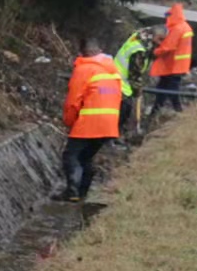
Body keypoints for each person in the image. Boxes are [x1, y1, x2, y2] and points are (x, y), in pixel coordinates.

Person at [58, 39, 123, 203]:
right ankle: (82, 193)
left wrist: (69, 122)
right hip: (109, 124)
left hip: (89, 121)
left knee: (70, 156)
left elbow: (73, 102)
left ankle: (72, 192)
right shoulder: (113, 70)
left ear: (81, 53)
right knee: (86, 157)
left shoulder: (84, 69)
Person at [149, 1, 195, 116]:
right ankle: (156, 110)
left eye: (168, 16)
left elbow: (168, 46)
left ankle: (177, 109)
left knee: (169, 89)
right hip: (179, 64)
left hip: (173, 65)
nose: (167, 19)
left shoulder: (177, 29)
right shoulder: (185, 27)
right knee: (164, 87)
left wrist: (154, 52)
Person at [112, 25, 156, 135]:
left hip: (115, 79)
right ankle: (111, 137)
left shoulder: (139, 37)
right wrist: (137, 91)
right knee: (121, 113)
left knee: (120, 113)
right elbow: (134, 75)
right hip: (120, 84)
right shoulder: (139, 50)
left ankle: (114, 135)